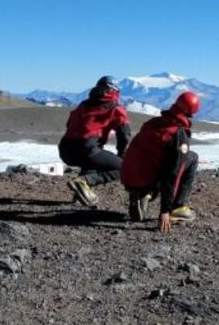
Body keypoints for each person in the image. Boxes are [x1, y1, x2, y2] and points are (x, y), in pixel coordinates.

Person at [120, 91, 200, 232]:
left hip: (129, 176)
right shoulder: (178, 134)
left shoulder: (154, 122)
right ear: (191, 113)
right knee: (191, 158)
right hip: (147, 176)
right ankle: (178, 207)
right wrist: (165, 210)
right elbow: (173, 173)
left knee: (160, 159)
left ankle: (142, 193)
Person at [58, 76, 131, 207]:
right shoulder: (115, 107)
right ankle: (83, 182)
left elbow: (69, 124)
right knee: (125, 168)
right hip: (87, 148)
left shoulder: (84, 104)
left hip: (65, 149)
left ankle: (80, 195)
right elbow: (125, 133)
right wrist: (122, 154)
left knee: (93, 163)